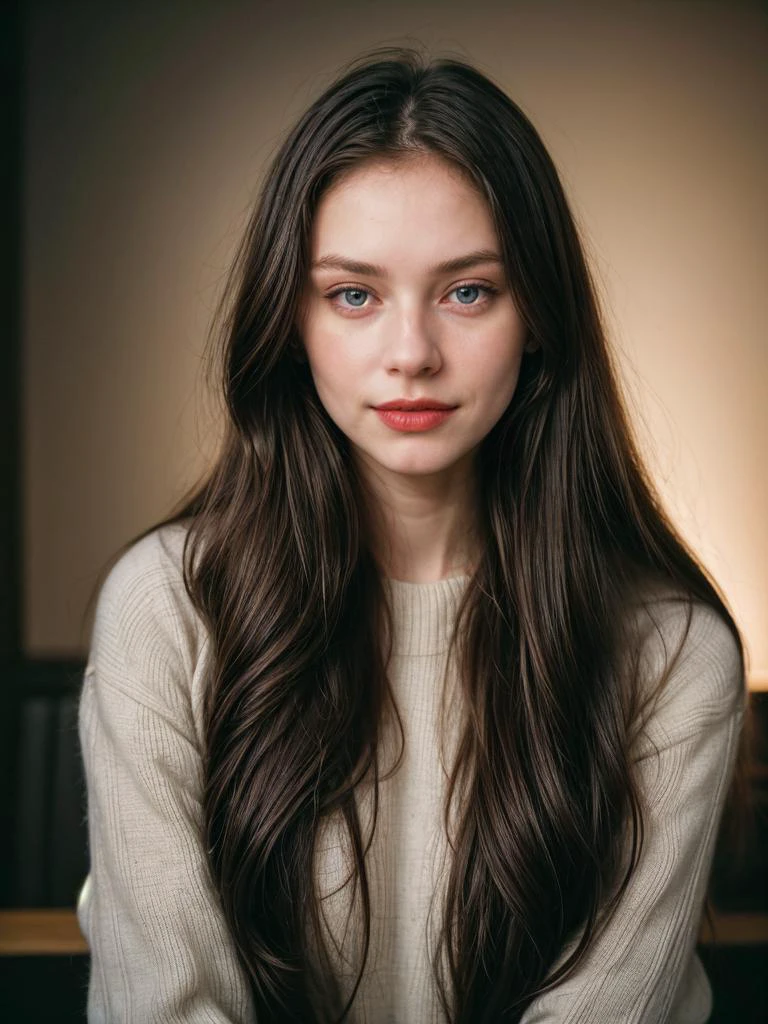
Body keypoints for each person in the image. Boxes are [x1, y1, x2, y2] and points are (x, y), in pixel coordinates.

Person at [76, 47, 748, 1023]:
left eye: (467, 290)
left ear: (539, 317)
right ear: (291, 319)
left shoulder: (672, 653)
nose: (411, 354)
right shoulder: (165, 608)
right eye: (353, 294)